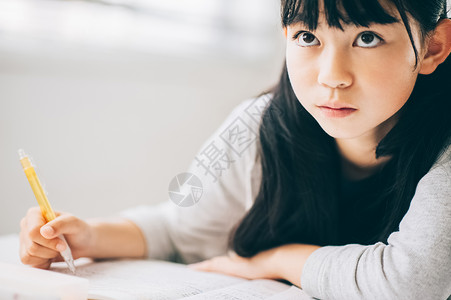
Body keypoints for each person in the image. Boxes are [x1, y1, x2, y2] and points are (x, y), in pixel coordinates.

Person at [19, 0, 451, 298]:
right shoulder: (259, 124)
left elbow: (412, 285)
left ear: (433, 46)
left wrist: (279, 260)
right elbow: (180, 231)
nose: (331, 76)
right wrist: (87, 235)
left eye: (368, 38)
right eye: (306, 37)